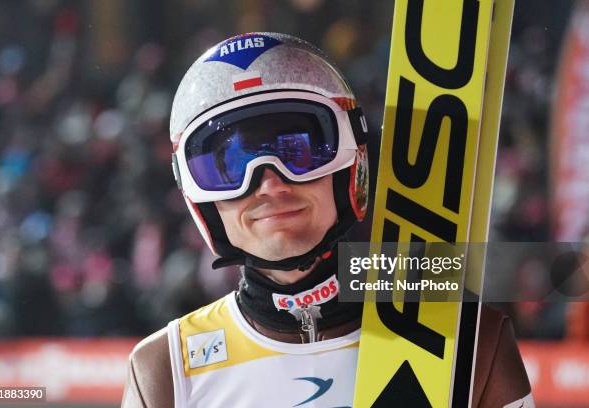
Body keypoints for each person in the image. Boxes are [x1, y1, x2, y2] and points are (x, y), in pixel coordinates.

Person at [121, 32, 533, 408]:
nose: (268, 183)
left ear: (350, 163)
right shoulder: (166, 371)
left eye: (297, 150)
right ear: (199, 197)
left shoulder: (473, 344)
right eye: (230, 164)